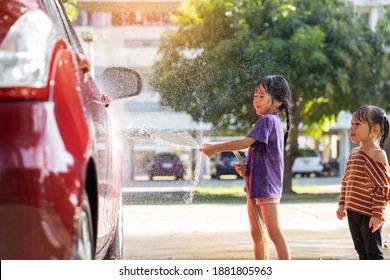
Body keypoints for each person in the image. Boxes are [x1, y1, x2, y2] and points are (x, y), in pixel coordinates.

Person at [200, 75, 292, 260]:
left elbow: (245, 142)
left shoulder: (268, 121)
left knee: (274, 235)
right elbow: (262, 155)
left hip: (266, 188)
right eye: (254, 96)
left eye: (261, 96)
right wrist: (247, 169)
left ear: (278, 101)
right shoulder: (268, 122)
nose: (256, 101)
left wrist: (214, 149)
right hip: (255, 185)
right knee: (257, 234)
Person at [336, 105, 390, 260]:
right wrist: (341, 204)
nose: (352, 128)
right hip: (352, 211)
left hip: (369, 213)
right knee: (361, 250)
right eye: (351, 124)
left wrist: (377, 214)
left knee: (373, 252)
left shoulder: (378, 155)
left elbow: (382, 187)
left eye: (358, 124)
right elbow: (346, 181)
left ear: (374, 130)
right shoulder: (354, 153)